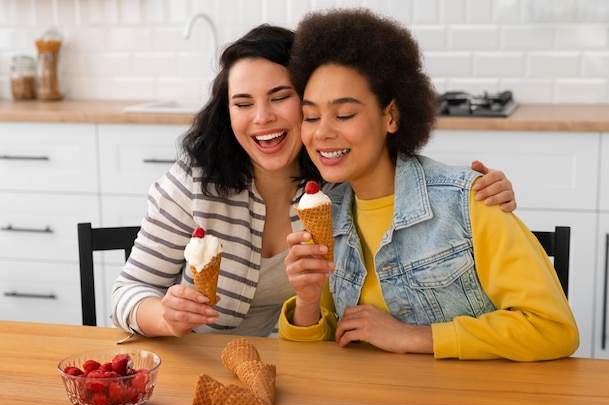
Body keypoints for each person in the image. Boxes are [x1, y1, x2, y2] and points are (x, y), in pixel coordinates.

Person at [111, 23, 517, 339]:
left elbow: (408, 175)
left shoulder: (339, 184)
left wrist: (475, 189)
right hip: (201, 363)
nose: (262, 118)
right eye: (243, 103)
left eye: (279, 96)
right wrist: (165, 316)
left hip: (304, 370)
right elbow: (126, 294)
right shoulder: (194, 185)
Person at [278, 8, 579, 361]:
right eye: (311, 117)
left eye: (344, 114)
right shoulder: (328, 212)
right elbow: (318, 358)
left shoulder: (470, 201)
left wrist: (413, 337)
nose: (323, 132)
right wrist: (308, 301)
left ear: (391, 116)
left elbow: (554, 329)